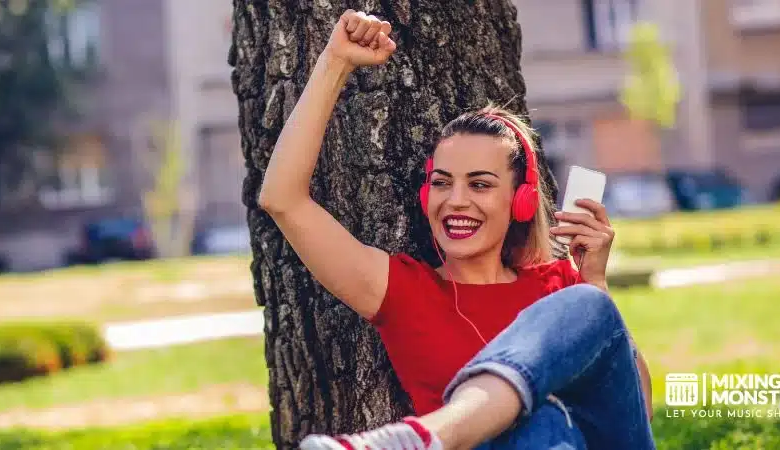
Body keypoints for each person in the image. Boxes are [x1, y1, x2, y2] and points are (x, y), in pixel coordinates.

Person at [258, 9, 655, 450]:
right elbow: (283, 199)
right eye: (442, 182)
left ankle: (422, 439)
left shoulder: (562, 291)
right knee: (536, 419)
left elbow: (638, 414)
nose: (456, 200)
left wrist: (594, 281)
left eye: (480, 184)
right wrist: (335, 61)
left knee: (584, 313)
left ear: (520, 201)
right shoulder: (403, 290)